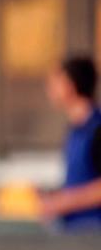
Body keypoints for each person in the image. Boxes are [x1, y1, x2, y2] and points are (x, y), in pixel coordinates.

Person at [39, 56, 101, 231]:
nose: (50, 89)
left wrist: (64, 202)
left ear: (71, 85)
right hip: (74, 233)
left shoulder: (96, 129)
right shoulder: (76, 130)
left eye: (56, 83)